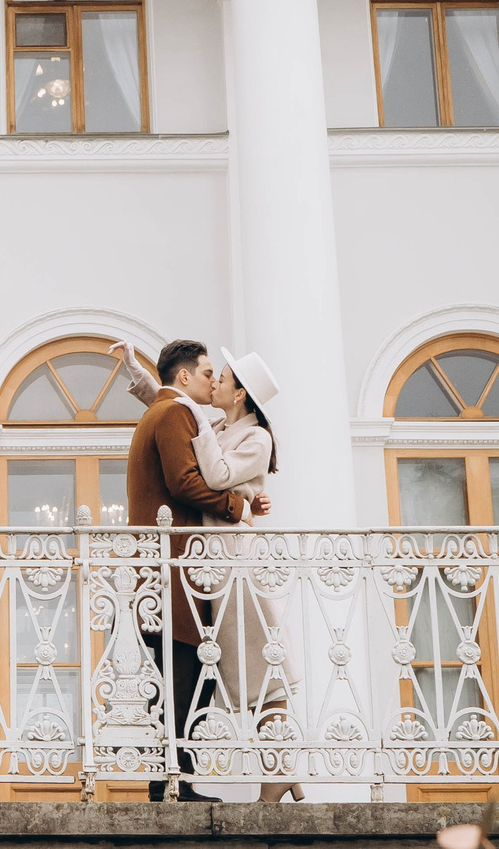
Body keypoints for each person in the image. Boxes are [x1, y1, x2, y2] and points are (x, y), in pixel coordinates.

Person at [119, 339, 304, 802]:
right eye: (209, 373)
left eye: (222, 377)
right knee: (227, 672)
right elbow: (174, 414)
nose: (215, 380)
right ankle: (278, 769)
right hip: (207, 567)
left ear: (240, 394)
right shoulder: (216, 423)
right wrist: (147, 378)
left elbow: (212, 470)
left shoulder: (254, 437)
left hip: (232, 565)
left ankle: (279, 771)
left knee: (262, 670)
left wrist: (241, 504)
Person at [122, 337, 239, 801]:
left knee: (176, 673)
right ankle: (176, 782)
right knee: (185, 671)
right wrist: (237, 506)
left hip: (161, 569)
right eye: (208, 372)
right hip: (172, 570)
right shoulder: (174, 413)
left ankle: (171, 780)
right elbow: (184, 481)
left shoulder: (163, 410)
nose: (215, 380)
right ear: (185, 376)